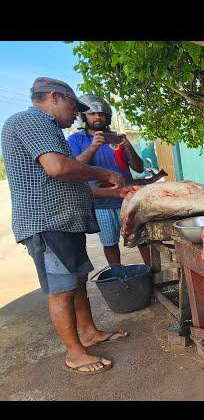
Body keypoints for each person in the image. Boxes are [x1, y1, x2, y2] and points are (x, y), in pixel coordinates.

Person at [1, 77, 130, 375]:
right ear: (56, 97)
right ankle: (74, 353)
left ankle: (88, 333)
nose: (77, 114)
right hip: (46, 223)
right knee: (62, 291)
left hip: (64, 221)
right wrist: (104, 172)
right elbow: (59, 169)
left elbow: (67, 184)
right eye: (74, 106)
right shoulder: (31, 121)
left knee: (78, 282)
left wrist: (115, 192)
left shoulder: (49, 131)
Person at [67, 94, 151, 267]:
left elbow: (139, 168)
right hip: (101, 203)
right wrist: (93, 147)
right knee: (110, 244)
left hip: (128, 200)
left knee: (142, 239)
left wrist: (127, 146)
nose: (98, 117)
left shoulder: (116, 139)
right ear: (84, 116)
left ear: (107, 117)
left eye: (102, 114)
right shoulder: (76, 139)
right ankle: (118, 275)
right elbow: (74, 168)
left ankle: (153, 272)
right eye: (92, 114)